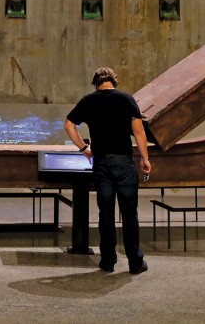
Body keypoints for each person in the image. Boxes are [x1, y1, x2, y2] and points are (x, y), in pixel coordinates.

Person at [64, 66, 152, 275]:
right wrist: (145, 159)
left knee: (106, 213)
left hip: (101, 164)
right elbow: (139, 132)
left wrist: (84, 149)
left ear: (96, 83)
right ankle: (135, 262)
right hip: (124, 163)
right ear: (114, 81)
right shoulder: (127, 99)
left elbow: (69, 125)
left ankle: (108, 261)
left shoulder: (88, 100)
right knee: (130, 213)